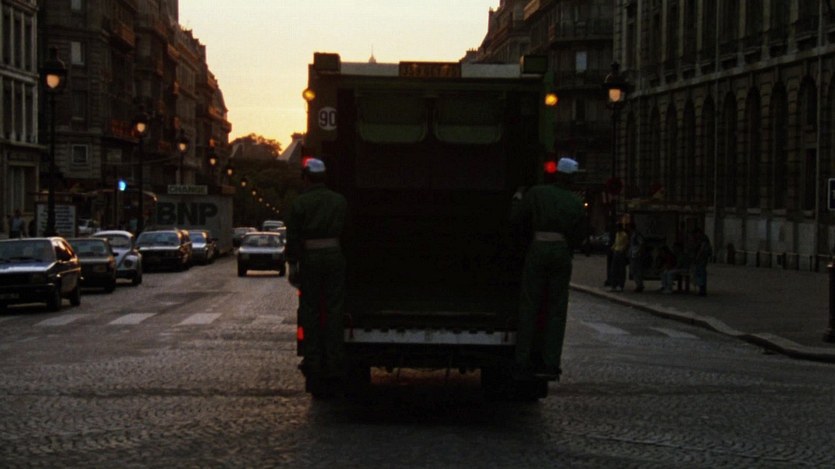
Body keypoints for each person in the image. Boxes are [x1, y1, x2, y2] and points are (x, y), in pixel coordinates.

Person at [510, 157, 585, 380]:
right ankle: (551, 362)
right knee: (556, 309)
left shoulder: (537, 193)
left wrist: (517, 197)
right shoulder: (575, 202)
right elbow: (580, 235)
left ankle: (522, 359)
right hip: (561, 251)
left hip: (538, 248)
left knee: (529, 305)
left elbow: (516, 218)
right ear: (572, 178)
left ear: (556, 174)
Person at [286, 158, 348, 396]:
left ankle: (313, 361)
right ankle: (334, 360)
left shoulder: (300, 203)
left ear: (306, 178)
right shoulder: (339, 201)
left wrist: (293, 264)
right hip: (334, 256)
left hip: (310, 259)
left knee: (310, 310)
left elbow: (293, 236)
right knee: (334, 309)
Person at [692, 227, 712, 296]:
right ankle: (702, 288)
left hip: (702, 258)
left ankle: (702, 289)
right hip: (702, 258)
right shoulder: (702, 238)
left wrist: (697, 257)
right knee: (700, 272)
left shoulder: (703, 239)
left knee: (701, 272)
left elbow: (702, 249)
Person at [609, 223, 629, 292]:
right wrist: (612, 248)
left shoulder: (624, 235)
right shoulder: (617, 234)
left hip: (621, 253)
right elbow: (616, 243)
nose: (616, 229)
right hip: (616, 252)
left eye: (617, 228)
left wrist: (622, 250)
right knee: (614, 269)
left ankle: (621, 285)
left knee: (621, 270)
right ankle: (614, 285)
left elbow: (626, 244)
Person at [628, 223, 646, 292]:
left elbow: (641, 243)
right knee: (634, 270)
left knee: (636, 270)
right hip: (633, 255)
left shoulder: (636, 234)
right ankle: (638, 284)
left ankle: (639, 285)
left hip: (636, 255)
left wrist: (638, 252)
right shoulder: (633, 234)